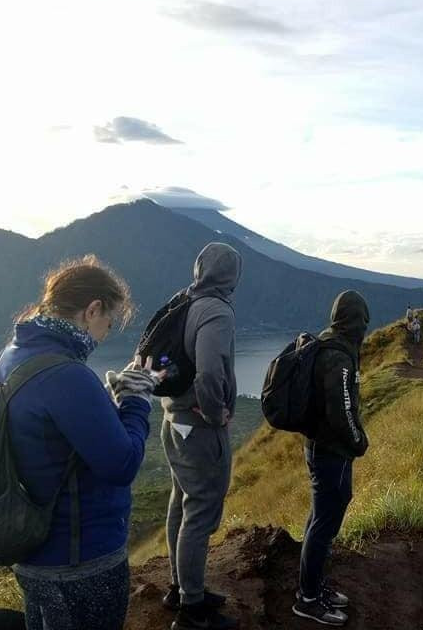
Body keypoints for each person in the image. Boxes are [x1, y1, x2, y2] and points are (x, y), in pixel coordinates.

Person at [0, 256, 159, 630]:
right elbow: (122, 465)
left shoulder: (13, 356)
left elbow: (47, 435)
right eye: (109, 321)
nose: (105, 331)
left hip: (32, 551)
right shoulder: (67, 375)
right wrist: (136, 400)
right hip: (80, 560)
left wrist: (102, 402)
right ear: (92, 309)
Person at [161, 243, 243, 630]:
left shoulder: (184, 301)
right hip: (199, 426)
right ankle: (192, 611)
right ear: (232, 276)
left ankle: (179, 588)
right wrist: (215, 412)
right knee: (201, 509)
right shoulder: (216, 310)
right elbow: (210, 372)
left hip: (174, 420)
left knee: (182, 500)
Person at [293, 290, 371, 626]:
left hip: (320, 446)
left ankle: (312, 586)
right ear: (356, 321)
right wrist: (359, 441)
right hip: (332, 450)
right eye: (363, 321)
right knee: (324, 523)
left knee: (319, 518)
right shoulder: (338, 356)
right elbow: (342, 410)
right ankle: (308, 599)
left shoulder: (330, 343)